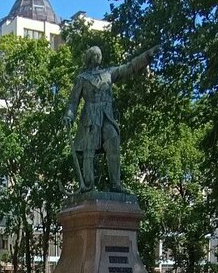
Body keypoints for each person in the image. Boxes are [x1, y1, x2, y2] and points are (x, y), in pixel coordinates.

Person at [64, 44, 158, 192]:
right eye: (95, 55)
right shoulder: (82, 79)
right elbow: (73, 102)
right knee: (89, 151)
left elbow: (129, 67)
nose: (98, 57)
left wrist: (146, 56)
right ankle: (88, 186)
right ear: (90, 58)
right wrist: (69, 116)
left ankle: (116, 185)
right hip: (90, 118)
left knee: (113, 142)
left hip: (107, 116)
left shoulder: (108, 73)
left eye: (99, 54)